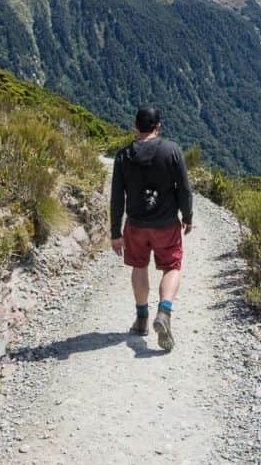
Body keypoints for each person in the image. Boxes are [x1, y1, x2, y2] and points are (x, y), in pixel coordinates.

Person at [110, 105, 193, 352]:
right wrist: (187, 216)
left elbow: (117, 198)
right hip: (166, 225)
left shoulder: (123, 156)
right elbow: (184, 189)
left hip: (135, 225)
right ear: (158, 127)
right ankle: (164, 312)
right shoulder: (172, 151)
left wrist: (115, 233)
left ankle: (142, 319)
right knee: (172, 266)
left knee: (139, 266)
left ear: (136, 126)